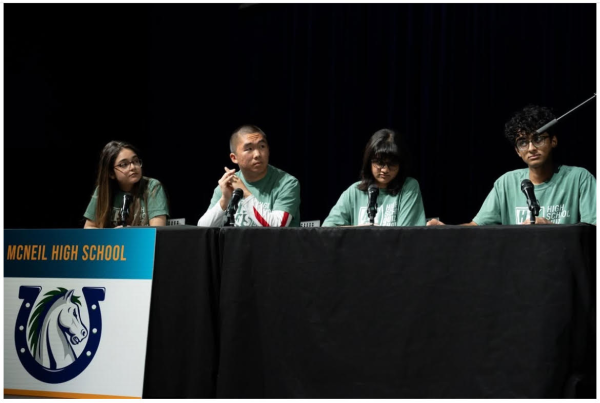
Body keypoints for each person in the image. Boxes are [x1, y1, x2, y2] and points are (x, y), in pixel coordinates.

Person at [427, 104, 596, 226]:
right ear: (517, 151)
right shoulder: (506, 183)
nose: (531, 148)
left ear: (553, 141)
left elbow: (594, 230)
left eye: (538, 139)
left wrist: (553, 229)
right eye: (523, 142)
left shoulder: (579, 178)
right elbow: (476, 227)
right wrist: (447, 230)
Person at [197, 125, 301, 227]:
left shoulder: (287, 183)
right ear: (234, 158)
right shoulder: (227, 185)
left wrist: (243, 191)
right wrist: (224, 200)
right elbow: (202, 229)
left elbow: (277, 227)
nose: (257, 154)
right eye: (249, 149)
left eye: (262, 146)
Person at [322, 128, 426, 227]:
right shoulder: (354, 191)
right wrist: (358, 231)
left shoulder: (408, 187)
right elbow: (328, 229)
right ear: (369, 162)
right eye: (380, 163)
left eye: (392, 164)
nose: (385, 170)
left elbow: (406, 234)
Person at [83, 141, 170, 228]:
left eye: (135, 161)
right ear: (111, 173)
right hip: (112, 241)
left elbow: (157, 230)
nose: (133, 167)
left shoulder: (152, 187)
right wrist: (112, 234)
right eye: (124, 164)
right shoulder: (102, 191)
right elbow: (88, 228)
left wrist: (129, 234)